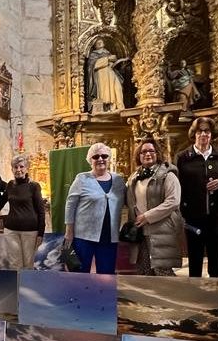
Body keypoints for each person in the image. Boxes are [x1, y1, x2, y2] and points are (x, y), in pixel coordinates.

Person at [175, 117, 218, 278]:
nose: (203, 134)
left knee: (216, 258)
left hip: (217, 216)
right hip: (193, 217)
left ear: (211, 134)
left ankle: (216, 293)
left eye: (207, 131)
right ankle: (195, 294)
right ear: (194, 134)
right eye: (199, 131)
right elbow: (177, 185)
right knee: (195, 258)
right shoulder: (183, 157)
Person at [64, 142, 126, 274]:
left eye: (104, 156)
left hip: (109, 235)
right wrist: (69, 230)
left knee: (107, 273)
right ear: (90, 160)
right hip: (84, 235)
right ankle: (79, 295)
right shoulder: (82, 178)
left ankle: (104, 294)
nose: (100, 159)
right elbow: (70, 205)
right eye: (96, 157)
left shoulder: (119, 180)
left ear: (109, 158)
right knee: (80, 272)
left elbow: (128, 201)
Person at [126, 138, 184, 276]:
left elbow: (173, 201)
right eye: (143, 151)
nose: (147, 154)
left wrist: (148, 216)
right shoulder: (133, 177)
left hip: (162, 229)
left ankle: (173, 297)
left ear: (157, 153)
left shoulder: (168, 175)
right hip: (141, 230)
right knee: (145, 270)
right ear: (138, 155)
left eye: (151, 151)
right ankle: (149, 298)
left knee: (163, 271)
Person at [2, 154, 45, 270]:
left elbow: (41, 211)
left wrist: (41, 233)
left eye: (21, 167)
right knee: (14, 264)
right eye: (15, 167)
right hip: (11, 230)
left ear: (27, 168)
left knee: (28, 264)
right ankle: (17, 288)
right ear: (12, 169)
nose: (18, 170)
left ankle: (26, 288)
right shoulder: (10, 185)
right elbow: (0, 202)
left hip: (30, 231)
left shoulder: (34, 186)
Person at [86, 39, 125, 113]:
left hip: (111, 72)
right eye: (98, 42)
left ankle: (117, 106)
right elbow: (93, 65)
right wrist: (107, 59)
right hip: (101, 74)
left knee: (117, 87)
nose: (100, 43)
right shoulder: (93, 55)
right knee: (105, 90)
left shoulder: (108, 53)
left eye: (101, 41)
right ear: (95, 46)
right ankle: (106, 107)